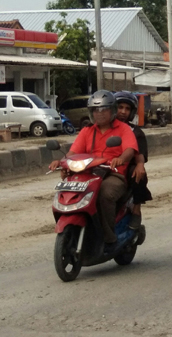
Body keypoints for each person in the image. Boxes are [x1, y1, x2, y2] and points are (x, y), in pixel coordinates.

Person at [48, 90, 139, 253]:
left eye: (104, 109)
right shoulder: (87, 131)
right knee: (68, 191)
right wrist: (61, 162)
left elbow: (130, 149)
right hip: (88, 173)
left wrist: (121, 159)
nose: (100, 114)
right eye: (96, 110)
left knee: (105, 194)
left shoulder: (123, 129)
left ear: (112, 110)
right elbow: (73, 152)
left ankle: (109, 238)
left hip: (113, 173)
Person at [114, 91, 152, 229]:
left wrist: (139, 164)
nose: (123, 111)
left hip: (126, 166)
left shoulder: (135, 131)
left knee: (138, 175)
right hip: (104, 166)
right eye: (120, 107)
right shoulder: (103, 128)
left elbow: (140, 153)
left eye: (127, 108)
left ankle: (136, 210)